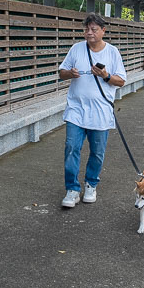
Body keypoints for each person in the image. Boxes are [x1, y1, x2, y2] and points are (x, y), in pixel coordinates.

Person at [58, 13, 127, 208]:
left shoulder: (112, 52)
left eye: (94, 29)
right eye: (87, 29)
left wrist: (105, 75)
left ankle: (91, 184)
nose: (89, 33)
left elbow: (121, 81)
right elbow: (61, 73)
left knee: (97, 152)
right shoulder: (76, 49)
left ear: (103, 31)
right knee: (71, 148)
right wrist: (70, 73)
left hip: (101, 112)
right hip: (76, 109)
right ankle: (72, 189)